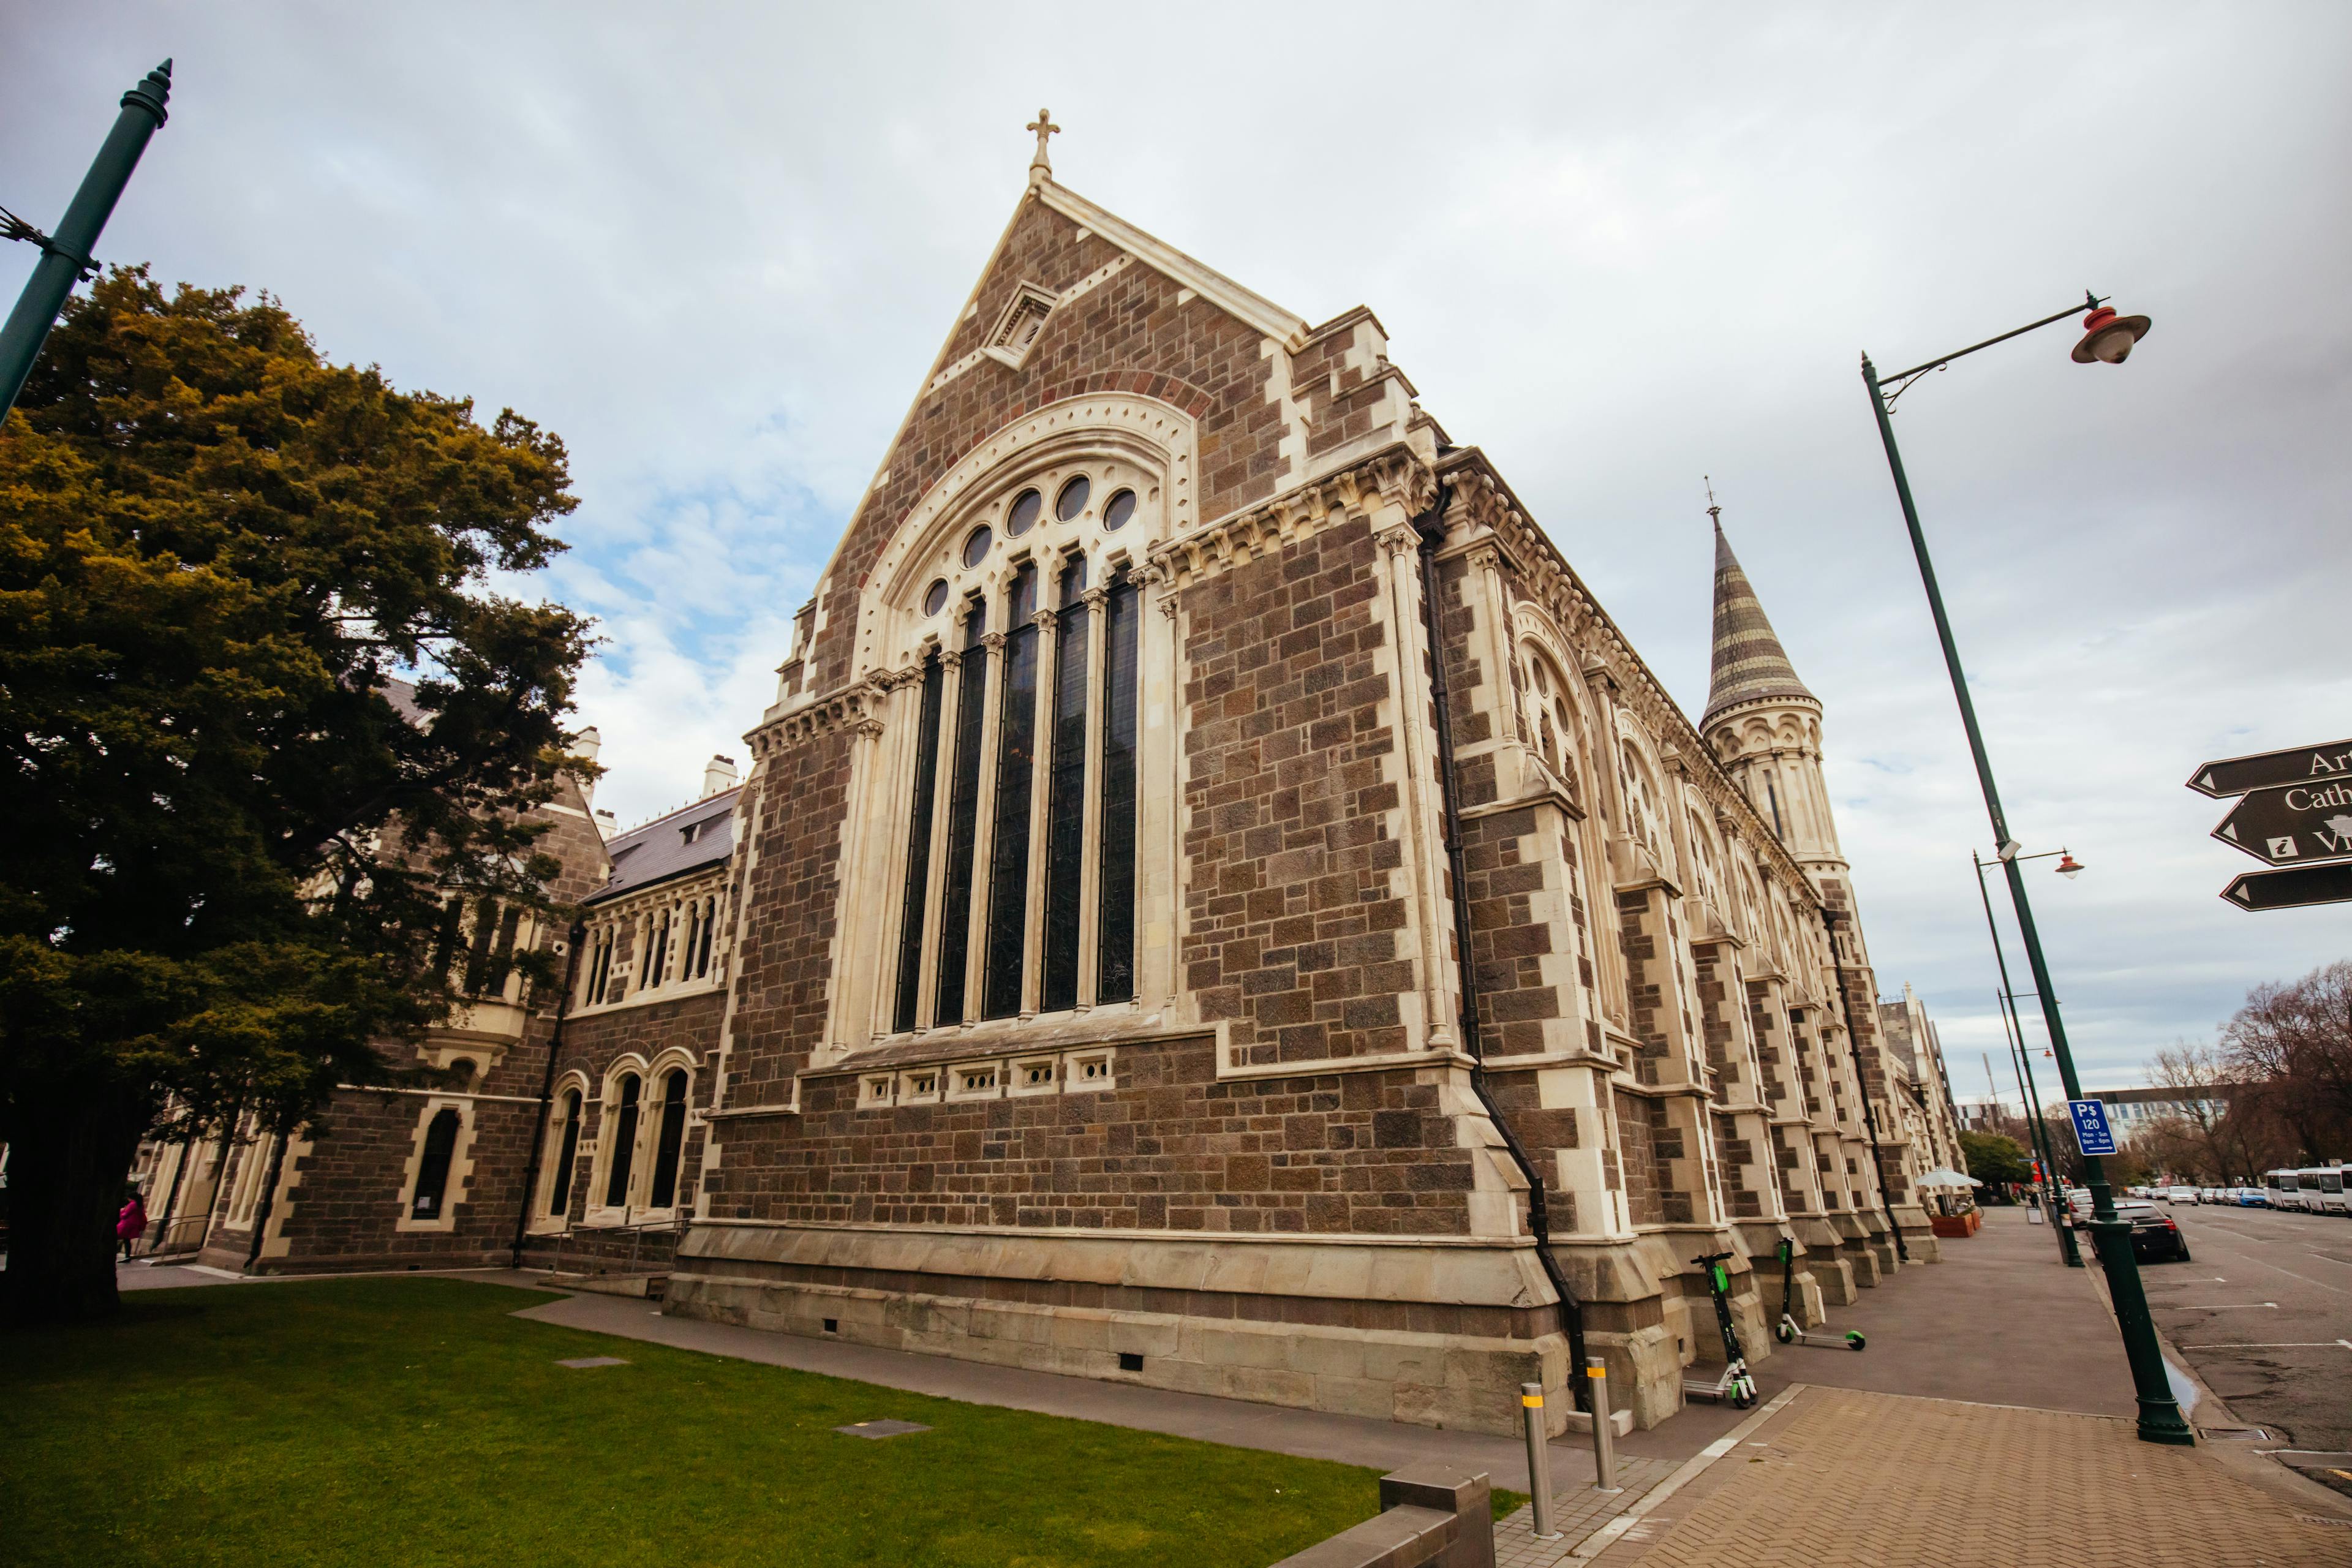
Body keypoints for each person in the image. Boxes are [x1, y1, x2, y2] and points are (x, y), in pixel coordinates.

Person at [117, 1188, 148, 1262]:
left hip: (127, 1224)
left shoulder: (132, 1204)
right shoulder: (140, 1205)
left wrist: (122, 1211)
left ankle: (127, 1256)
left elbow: (125, 1215)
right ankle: (127, 1256)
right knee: (127, 1240)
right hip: (134, 1224)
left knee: (122, 1238)